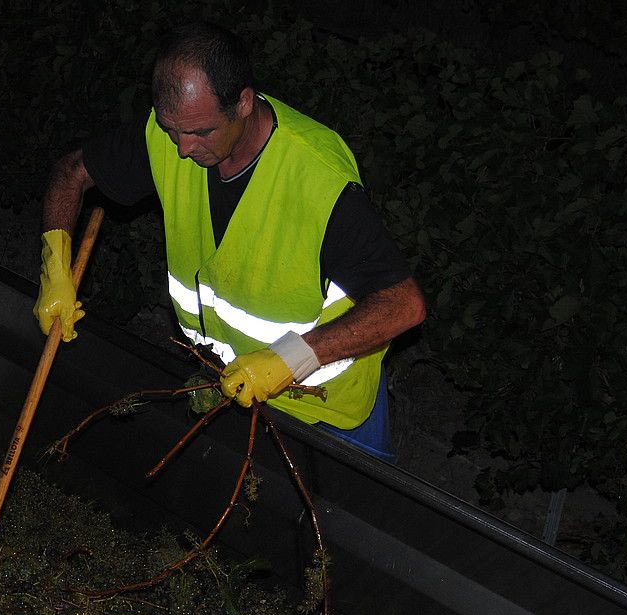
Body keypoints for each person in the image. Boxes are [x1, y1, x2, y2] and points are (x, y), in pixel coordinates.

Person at [34, 21, 425, 460]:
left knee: (355, 522)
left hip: (327, 410)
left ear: (243, 103)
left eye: (199, 133)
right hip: (228, 388)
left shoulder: (317, 181)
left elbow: (403, 306)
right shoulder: (169, 137)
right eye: (171, 129)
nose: (182, 149)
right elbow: (71, 173)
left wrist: (290, 359)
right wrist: (55, 268)